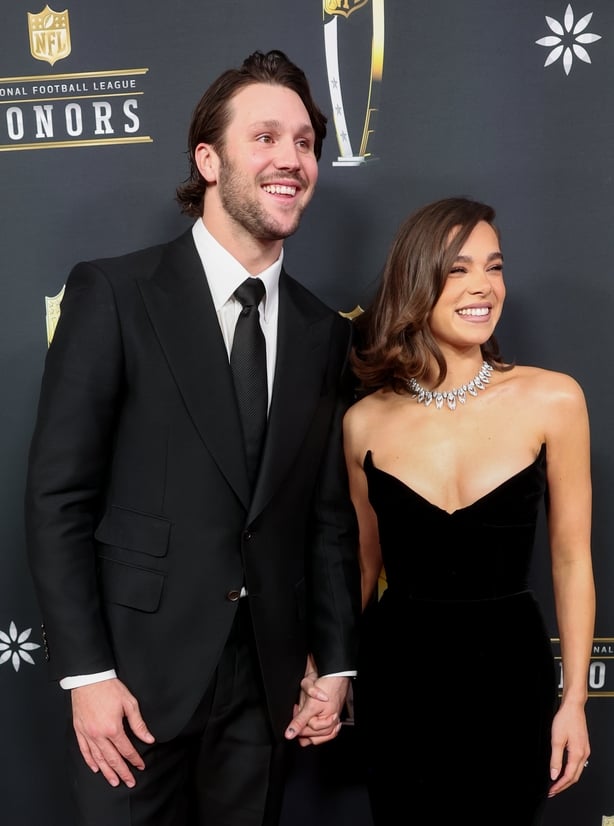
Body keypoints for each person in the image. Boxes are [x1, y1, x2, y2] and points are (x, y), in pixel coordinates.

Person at [24, 49, 361, 826]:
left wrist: (335, 662)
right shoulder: (113, 293)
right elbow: (58, 497)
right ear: (208, 159)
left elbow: (326, 519)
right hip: (133, 690)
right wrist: (87, 675)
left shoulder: (321, 332)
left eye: (306, 142)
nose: (292, 160)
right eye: (266, 137)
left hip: (265, 692)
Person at [343, 196, 595, 825]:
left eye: (495, 267)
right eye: (457, 270)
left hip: (511, 677)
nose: (484, 286)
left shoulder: (553, 399)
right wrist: (331, 671)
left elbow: (570, 559)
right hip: (398, 679)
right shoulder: (364, 421)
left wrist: (574, 703)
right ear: (416, 282)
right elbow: (359, 564)